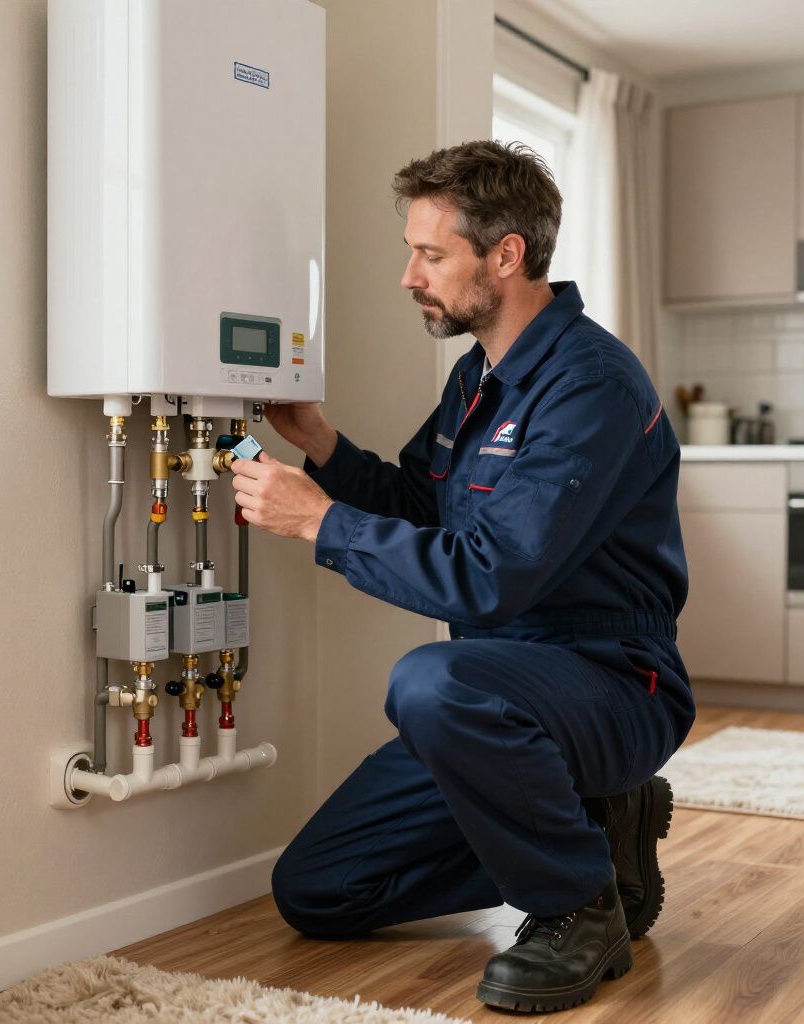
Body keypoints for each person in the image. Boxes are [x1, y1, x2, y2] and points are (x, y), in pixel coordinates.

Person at [228, 140, 695, 1014]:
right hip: (498, 704)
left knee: (429, 680)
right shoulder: (481, 379)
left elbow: (490, 580)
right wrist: (321, 448)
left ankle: (577, 909)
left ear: (506, 255)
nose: (410, 276)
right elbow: (420, 500)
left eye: (431, 254)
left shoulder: (590, 386)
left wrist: (318, 520)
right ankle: (593, 826)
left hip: (609, 686)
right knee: (317, 890)